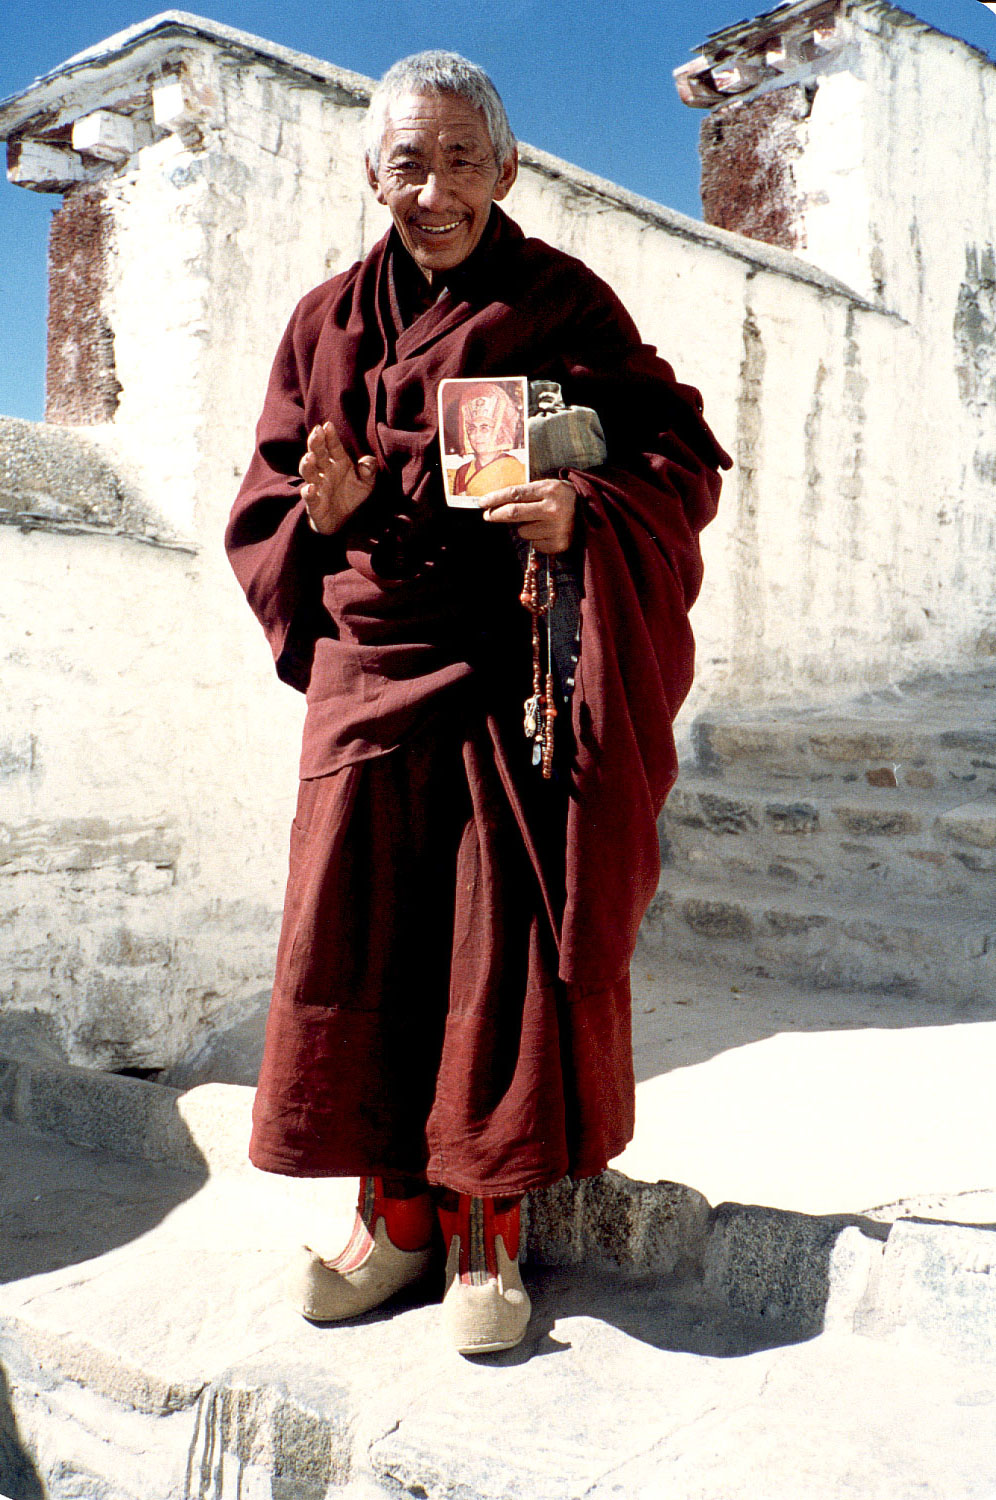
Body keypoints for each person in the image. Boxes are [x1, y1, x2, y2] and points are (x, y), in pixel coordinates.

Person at [225, 50, 730, 1356]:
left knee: (494, 960)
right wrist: (320, 516)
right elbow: (270, 498)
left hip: (514, 677)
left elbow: (675, 454)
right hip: (370, 674)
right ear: (371, 171)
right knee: (358, 950)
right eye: (409, 161)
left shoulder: (561, 303)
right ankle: (390, 1222)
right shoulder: (324, 323)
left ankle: (487, 1235)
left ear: (506, 170)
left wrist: (583, 510)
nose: (435, 188)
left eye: (461, 161)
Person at [447, 380, 526, 498]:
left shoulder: (515, 469)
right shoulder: (462, 471)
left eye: (484, 428)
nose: (477, 435)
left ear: (499, 431)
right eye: (472, 429)